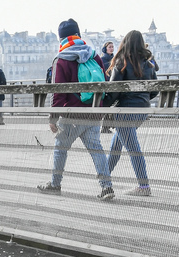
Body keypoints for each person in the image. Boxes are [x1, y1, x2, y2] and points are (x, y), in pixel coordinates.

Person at [38, 18, 114, 200]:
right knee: (96, 149)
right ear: (78, 35)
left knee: (60, 148)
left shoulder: (61, 59)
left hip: (72, 115)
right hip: (94, 113)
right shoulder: (94, 55)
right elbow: (103, 83)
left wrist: (53, 118)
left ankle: (55, 184)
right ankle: (107, 186)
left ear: (61, 38)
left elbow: (58, 93)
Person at [106, 30, 158, 196]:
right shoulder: (149, 63)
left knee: (133, 149)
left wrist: (102, 105)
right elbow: (154, 90)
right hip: (142, 110)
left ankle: (144, 186)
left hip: (126, 111)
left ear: (125, 43)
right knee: (116, 144)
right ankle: (103, 176)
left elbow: (113, 90)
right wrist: (143, 98)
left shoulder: (122, 61)